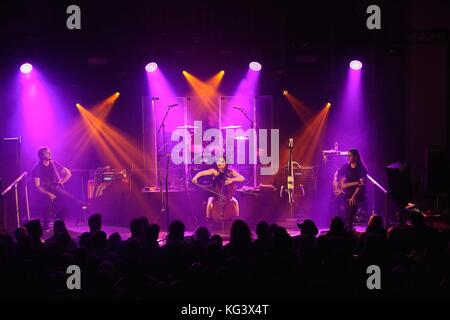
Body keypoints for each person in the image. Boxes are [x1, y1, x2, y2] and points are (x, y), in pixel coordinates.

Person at [31, 146, 73, 230]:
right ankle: (45, 225)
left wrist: (61, 182)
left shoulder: (53, 164)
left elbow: (68, 173)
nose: (50, 153)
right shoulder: (37, 169)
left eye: (49, 152)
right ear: (42, 156)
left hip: (53, 188)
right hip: (43, 191)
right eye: (47, 153)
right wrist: (49, 194)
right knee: (46, 204)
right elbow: (37, 186)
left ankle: (60, 223)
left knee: (67, 197)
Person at [333, 148, 368, 231]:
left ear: (356, 157)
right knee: (334, 202)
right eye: (347, 156)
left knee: (351, 205)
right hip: (346, 192)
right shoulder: (346, 166)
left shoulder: (362, 169)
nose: (348, 158)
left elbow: (361, 185)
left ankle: (349, 227)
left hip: (357, 193)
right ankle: (342, 225)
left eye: (350, 156)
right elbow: (337, 173)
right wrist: (336, 182)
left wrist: (353, 196)